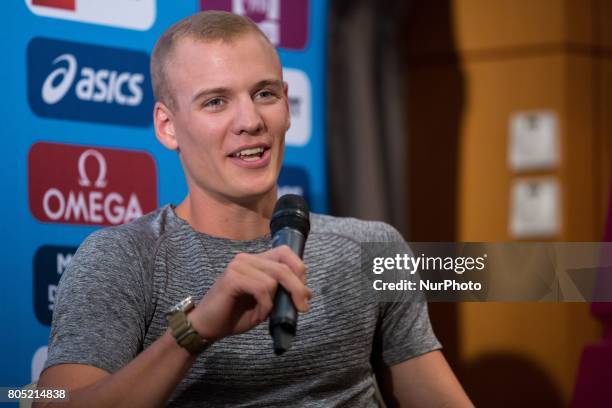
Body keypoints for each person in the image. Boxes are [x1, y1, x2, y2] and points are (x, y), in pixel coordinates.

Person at [35, 11, 472, 407]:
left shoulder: (374, 246)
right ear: (168, 127)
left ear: (286, 104)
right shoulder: (122, 258)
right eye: (215, 101)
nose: (250, 120)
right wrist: (194, 331)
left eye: (264, 94)